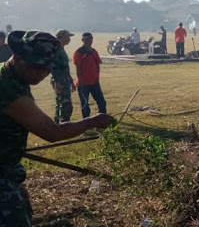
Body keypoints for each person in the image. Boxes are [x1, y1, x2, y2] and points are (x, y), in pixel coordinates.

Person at [0, 31, 114, 226]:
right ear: (18, 57)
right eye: (36, 68)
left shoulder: (14, 77)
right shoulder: (6, 87)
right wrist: (93, 121)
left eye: (46, 69)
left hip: (8, 166)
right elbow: (52, 132)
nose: (41, 74)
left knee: (22, 207)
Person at [73, 33, 107, 118]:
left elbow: (97, 64)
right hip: (83, 83)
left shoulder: (94, 51)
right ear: (83, 40)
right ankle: (86, 121)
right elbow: (78, 67)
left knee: (101, 101)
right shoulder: (78, 52)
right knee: (85, 104)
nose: (89, 41)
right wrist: (80, 81)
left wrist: (97, 78)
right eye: (87, 39)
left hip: (94, 82)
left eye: (90, 39)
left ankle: (103, 118)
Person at [50, 30, 76, 123]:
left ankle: (57, 123)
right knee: (65, 104)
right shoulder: (57, 50)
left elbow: (65, 68)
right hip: (59, 80)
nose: (69, 39)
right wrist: (57, 82)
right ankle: (64, 124)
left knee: (61, 103)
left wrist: (71, 81)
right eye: (68, 37)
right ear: (62, 37)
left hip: (64, 80)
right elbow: (53, 67)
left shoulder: (61, 49)